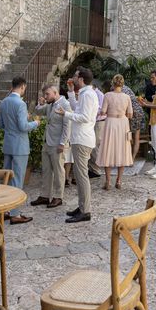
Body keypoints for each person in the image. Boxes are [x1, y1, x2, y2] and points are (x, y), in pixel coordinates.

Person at [56, 67, 99, 223]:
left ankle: (85, 211)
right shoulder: (84, 93)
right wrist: (70, 92)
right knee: (80, 175)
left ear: (81, 79)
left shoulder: (88, 94)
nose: (73, 78)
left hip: (82, 139)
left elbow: (85, 117)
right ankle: (81, 206)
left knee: (82, 177)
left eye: (75, 76)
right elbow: (77, 109)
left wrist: (65, 114)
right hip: (79, 139)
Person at [0, 76, 39, 225]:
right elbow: (23, 127)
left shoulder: (4, 102)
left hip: (8, 144)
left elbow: (1, 126)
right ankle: (15, 214)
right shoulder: (20, 104)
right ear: (22, 87)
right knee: (17, 179)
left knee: (7, 179)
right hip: (20, 146)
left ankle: (6, 210)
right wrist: (35, 123)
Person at [30, 84, 71, 208]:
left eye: (47, 94)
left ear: (55, 92)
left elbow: (67, 126)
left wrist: (62, 143)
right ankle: (45, 195)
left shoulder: (65, 104)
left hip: (58, 143)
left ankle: (58, 197)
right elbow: (38, 111)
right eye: (44, 94)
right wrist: (41, 103)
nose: (45, 96)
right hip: (47, 142)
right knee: (46, 170)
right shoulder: (49, 104)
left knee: (58, 171)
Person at [97, 75, 133, 189]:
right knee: (122, 149)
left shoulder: (108, 95)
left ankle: (108, 182)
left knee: (108, 149)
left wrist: (99, 112)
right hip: (123, 123)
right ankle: (119, 181)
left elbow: (103, 111)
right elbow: (130, 114)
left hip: (111, 123)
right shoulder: (127, 97)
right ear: (122, 84)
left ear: (113, 83)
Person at [120, 83, 145, 161]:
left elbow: (125, 105)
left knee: (128, 136)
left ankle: (128, 158)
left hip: (132, 112)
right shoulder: (127, 88)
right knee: (136, 137)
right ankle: (132, 159)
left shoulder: (119, 90)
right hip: (139, 111)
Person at [87, 81, 106, 178]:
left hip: (99, 122)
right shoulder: (94, 94)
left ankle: (96, 169)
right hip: (95, 122)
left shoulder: (99, 94)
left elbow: (102, 109)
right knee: (93, 145)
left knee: (95, 146)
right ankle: (92, 168)